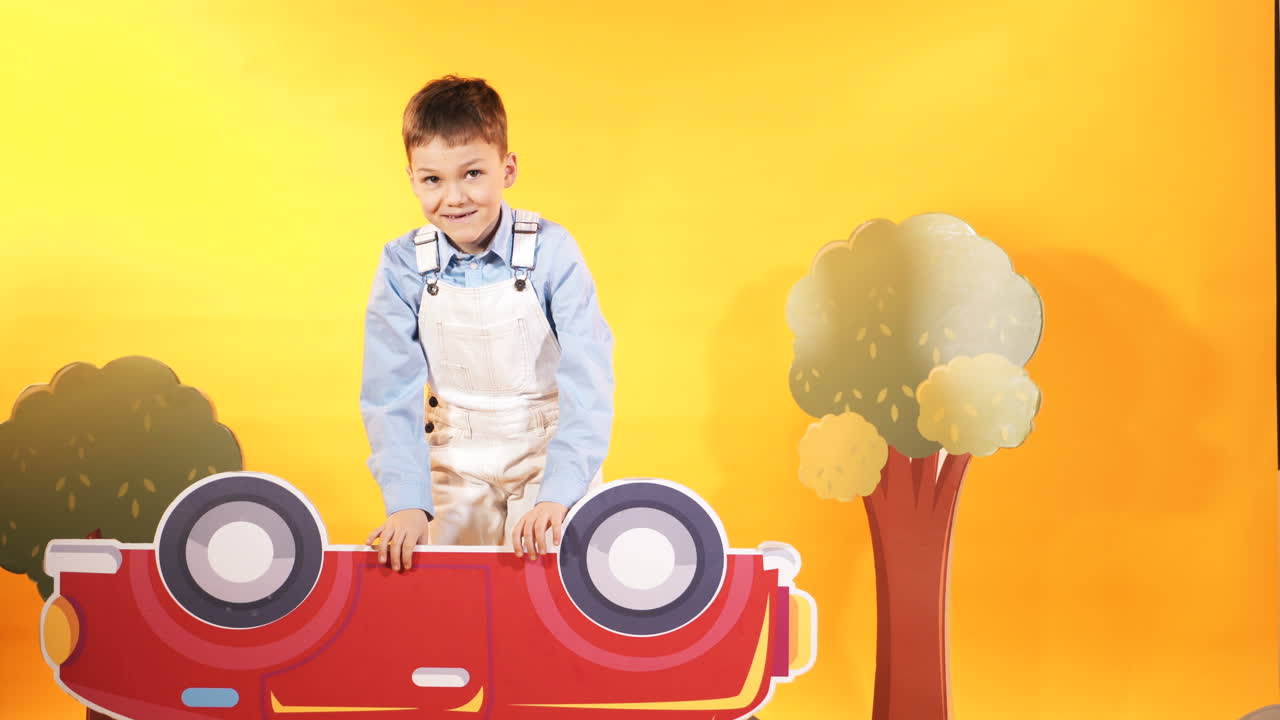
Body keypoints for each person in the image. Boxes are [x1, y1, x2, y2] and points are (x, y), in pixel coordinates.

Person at [359, 75, 613, 571]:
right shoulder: (400, 266)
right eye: (433, 179)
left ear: (507, 168)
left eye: (472, 173)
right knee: (452, 601)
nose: (453, 198)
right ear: (411, 177)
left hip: (548, 456)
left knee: (548, 591)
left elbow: (589, 378)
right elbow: (389, 394)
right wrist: (408, 502)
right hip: (453, 463)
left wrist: (557, 495)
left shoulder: (551, 251)